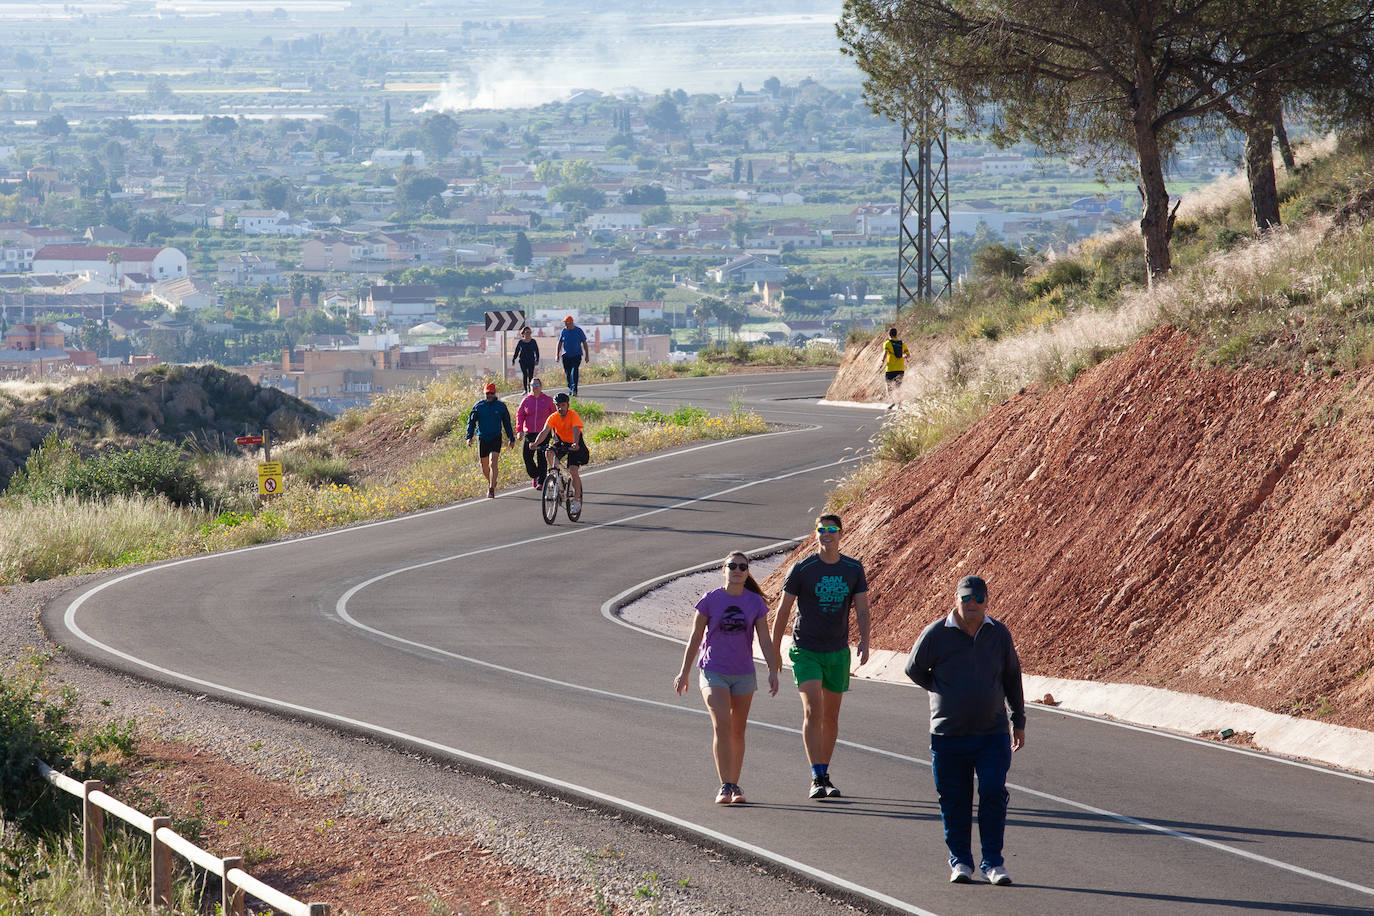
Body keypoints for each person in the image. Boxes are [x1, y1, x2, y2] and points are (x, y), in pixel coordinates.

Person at [904, 575, 1026, 887]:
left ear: (987, 601)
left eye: (978, 599)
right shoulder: (936, 633)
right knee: (954, 799)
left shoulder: (998, 633)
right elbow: (913, 668)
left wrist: (1019, 720)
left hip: (992, 734)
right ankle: (960, 861)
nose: (971, 604)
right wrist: (940, 689)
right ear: (955, 600)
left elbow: (1012, 676)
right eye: (966, 599)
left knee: (993, 793)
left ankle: (993, 863)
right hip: (948, 734)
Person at [770, 513, 870, 800]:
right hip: (806, 650)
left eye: (832, 530)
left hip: (837, 651)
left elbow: (862, 607)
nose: (827, 534)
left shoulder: (853, 568)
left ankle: (825, 773)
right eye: (821, 530)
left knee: (831, 716)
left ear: (841, 534)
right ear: (816, 534)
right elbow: (783, 610)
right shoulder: (802, 569)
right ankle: (816, 776)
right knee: (813, 709)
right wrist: (775, 650)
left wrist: (865, 638)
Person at [674, 552, 782, 805]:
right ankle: (725, 785)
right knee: (723, 724)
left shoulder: (755, 602)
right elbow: (695, 638)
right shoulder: (711, 600)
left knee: (738, 729)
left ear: (747, 573)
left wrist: (773, 669)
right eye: (732, 566)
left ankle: (735, 784)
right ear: (723, 570)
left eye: (742, 567)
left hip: (743, 673)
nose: (737, 570)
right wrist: (684, 671)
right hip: (713, 671)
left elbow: (764, 640)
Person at [530, 391, 589, 514]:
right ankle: (556, 477)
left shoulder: (573, 415)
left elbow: (575, 429)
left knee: (573, 471)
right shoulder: (553, 417)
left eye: (563, 405)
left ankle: (577, 500)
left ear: (568, 405)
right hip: (562, 443)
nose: (560, 408)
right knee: (548, 452)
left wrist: (575, 443)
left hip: (575, 445)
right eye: (558, 405)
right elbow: (545, 431)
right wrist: (535, 444)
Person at [464, 381, 515, 499]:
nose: (489, 395)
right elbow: (471, 422)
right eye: (487, 393)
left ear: (495, 393)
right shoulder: (478, 406)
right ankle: (492, 481)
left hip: (495, 437)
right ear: (484, 393)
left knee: (493, 462)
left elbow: (507, 423)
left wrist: (511, 438)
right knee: (484, 466)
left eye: (491, 393)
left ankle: (491, 488)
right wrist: (469, 437)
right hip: (482, 438)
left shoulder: (501, 406)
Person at [515, 377, 556, 490]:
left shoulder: (548, 400)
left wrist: (554, 432)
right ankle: (535, 474)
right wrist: (519, 430)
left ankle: (541, 481)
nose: (535, 387)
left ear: (541, 386)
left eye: (537, 384)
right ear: (530, 386)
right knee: (527, 457)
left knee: (541, 456)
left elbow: (554, 416)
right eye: (533, 385)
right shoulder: (526, 400)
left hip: (543, 432)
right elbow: (520, 415)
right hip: (530, 432)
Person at [556, 315, 589, 396]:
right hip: (566, 355)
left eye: (567, 323)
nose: (566, 325)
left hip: (576, 355)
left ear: (571, 323)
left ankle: (574, 389)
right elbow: (559, 343)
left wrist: (587, 355)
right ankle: (570, 387)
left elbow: (584, 343)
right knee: (568, 373)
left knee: (574, 371)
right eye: (565, 323)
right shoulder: (564, 331)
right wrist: (557, 354)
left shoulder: (578, 331)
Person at [512, 326, 541, 394]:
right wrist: (514, 359)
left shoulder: (533, 341)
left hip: (531, 361)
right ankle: (525, 389)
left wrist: (537, 360)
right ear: (523, 333)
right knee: (525, 375)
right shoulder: (521, 342)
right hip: (523, 361)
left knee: (530, 375)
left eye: (529, 332)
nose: (528, 334)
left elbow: (536, 351)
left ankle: (530, 389)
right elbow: (517, 351)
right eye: (526, 332)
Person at [882, 327, 906, 394]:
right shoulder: (902, 344)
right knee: (898, 386)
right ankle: (898, 400)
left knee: (888, 385)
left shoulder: (887, 343)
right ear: (896, 334)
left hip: (890, 369)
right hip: (900, 368)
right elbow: (908, 355)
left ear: (889, 334)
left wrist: (882, 361)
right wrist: (903, 356)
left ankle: (891, 400)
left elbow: (885, 353)